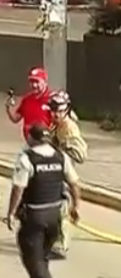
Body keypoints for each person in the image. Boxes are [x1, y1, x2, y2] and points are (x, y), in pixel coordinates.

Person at [5, 125, 81, 278]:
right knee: (42, 254)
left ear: (31, 138)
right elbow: (74, 183)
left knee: (34, 260)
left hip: (34, 216)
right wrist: (76, 207)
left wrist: (11, 213)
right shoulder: (60, 156)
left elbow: (18, 189)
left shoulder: (26, 159)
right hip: (54, 216)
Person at [47, 90, 88, 258]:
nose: (55, 114)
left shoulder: (69, 128)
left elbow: (81, 155)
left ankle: (60, 247)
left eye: (59, 110)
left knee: (60, 209)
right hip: (55, 171)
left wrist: (64, 148)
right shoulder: (57, 125)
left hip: (63, 173)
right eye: (53, 110)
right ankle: (51, 240)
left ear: (66, 110)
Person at [6, 67, 53, 138]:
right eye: (31, 81)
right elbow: (15, 119)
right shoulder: (27, 99)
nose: (34, 85)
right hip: (30, 142)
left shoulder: (52, 99)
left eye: (37, 82)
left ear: (45, 82)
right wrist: (8, 108)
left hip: (46, 142)